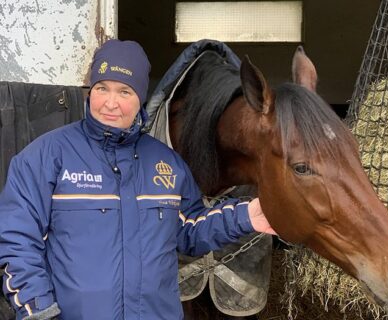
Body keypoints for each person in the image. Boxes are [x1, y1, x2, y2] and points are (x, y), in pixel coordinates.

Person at [0, 39, 275, 320]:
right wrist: (40, 312)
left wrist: (249, 215)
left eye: (124, 91)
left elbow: (189, 229)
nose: (110, 102)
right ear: (90, 91)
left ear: (140, 98)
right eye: (101, 88)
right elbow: (17, 243)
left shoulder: (165, 163)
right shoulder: (45, 157)